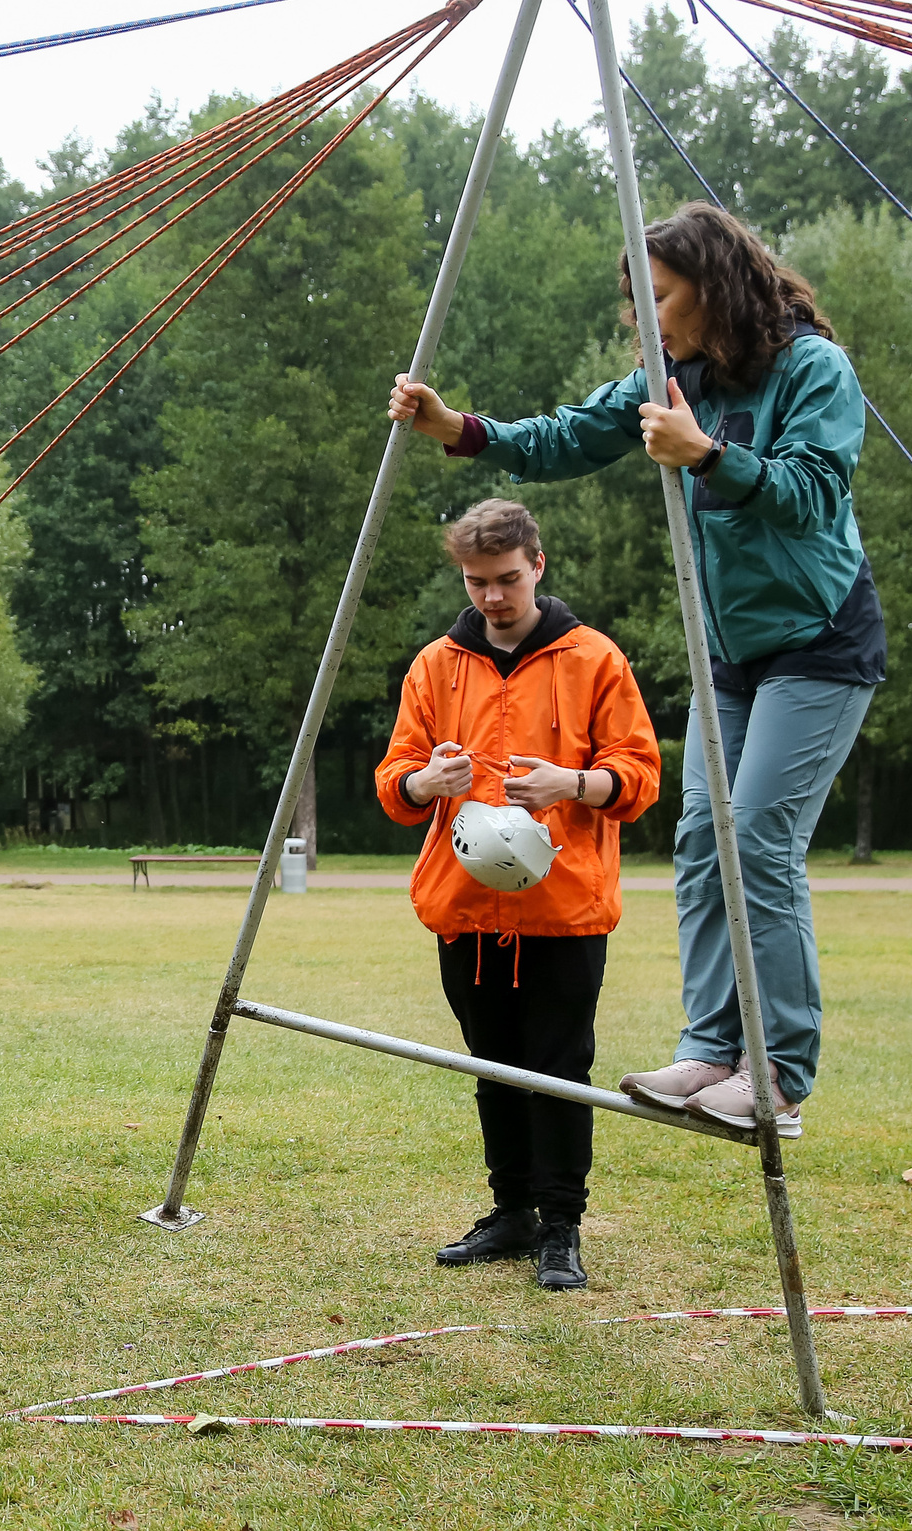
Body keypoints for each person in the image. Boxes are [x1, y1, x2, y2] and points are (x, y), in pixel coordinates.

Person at [389, 200, 884, 1140]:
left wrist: (709, 455)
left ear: (716, 284)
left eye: (659, 295)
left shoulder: (813, 369)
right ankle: (709, 1047)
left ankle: (776, 1070)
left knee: (760, 845)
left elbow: (816, 494)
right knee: (703, 840)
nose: (647, 317)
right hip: (727, 656)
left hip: (818, 643)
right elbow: (568, 436)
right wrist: (457, 427)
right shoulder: (671, 376)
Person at [375, 499, 661, 1291]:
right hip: (465, 909)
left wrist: (573, 781)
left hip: (563, 911)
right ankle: (511, 1212)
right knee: (493, 1064)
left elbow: (639, 777)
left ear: (538, 564)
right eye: (476, 582)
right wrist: (424, 780)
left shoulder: (596, 659)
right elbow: (394, 782)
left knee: (561, 1065)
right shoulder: (435, 664)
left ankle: (562, 1224)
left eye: (506, 579)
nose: (492, 597)